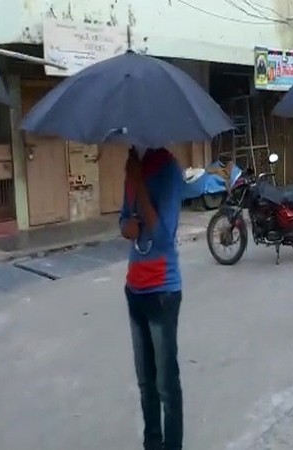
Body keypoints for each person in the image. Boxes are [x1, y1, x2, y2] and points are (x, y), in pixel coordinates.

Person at [120, 147, 185, 450]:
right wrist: (126, 227)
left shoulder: (169, 170)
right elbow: (124, 219)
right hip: (135, 288)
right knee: (146, 383)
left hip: (162, 292)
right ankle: (152, 444)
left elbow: (163, 233)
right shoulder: (134, 168)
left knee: (165, 385)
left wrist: (138, 181)